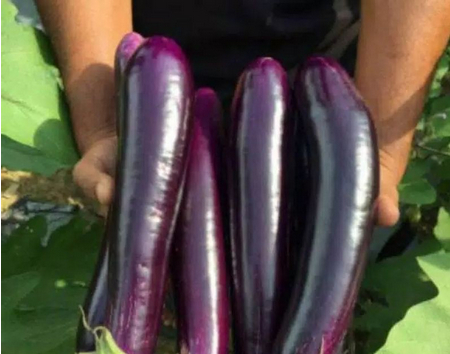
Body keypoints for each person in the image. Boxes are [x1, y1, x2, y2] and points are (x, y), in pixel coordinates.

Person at [35, 0, 450, 227]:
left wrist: (376, 145)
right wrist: (106, 121)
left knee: (317, 233)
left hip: (326, 96)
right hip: (145, 81)